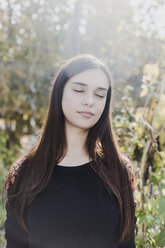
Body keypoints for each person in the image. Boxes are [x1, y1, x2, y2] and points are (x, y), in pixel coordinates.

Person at [3, 54, 137, 248]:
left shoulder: (120, 171)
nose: (90, 101)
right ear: (60, 93)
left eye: (100, 94)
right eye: (79, 90)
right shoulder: (23, 172)